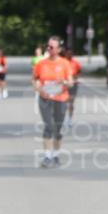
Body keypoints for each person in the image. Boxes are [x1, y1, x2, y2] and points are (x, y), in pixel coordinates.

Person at [32, 36, 73, 167]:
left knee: (58, 128)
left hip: (60, 99)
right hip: (45, 98)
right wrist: (38, 88)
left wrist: (64, 82)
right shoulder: (41, 64)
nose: (48, 48)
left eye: (51, 47)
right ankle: (47, 156)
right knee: (48, 126)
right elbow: (34, 79)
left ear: (59, 49)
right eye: (47, 46)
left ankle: (55, 155)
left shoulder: (65, 63)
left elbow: (71, 82)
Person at [61, 48, 82, 129]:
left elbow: (79, 71)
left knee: (71, 102)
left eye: (71, 54)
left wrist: (76, 78)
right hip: (64, 84)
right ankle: (62, 118)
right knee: (64, 102)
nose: (69, 55)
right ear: (65, 54)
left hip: (73, 84)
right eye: (68, 53)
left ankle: (70, 119)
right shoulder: (62, 62)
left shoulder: (76, 63)